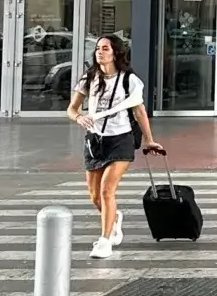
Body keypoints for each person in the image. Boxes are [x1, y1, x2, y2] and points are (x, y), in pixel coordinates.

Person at [66, 32, 164, 259]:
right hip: (94, 140)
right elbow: (71, 108)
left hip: (121, 139)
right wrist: (79, 117)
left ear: (116, 53)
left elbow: (140, 111)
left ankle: (104, 240)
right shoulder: (88, 78)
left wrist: (149, 140)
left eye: (105, 48)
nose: (100, 52)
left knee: (107, 189)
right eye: (98, 48)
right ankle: (115, 218)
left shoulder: (129, 80)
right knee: (94, 196)